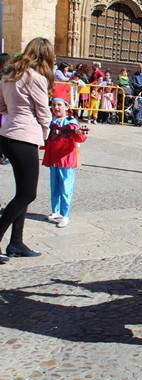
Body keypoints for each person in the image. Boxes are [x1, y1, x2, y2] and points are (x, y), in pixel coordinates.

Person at [0, 37, 55, 258]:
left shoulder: (8, 75)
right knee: (27, 194)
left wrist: (15, 116)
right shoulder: (36, 78)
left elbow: (2, 106)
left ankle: (17, 242)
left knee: (22, 191)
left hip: (7, 135)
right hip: (25, 137)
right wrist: (44, 134)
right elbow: (44, 113)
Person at [43, 85, 88, 228]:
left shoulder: (71, 122)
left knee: (66, 186)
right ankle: (55, 210)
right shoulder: (51, 121)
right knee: (54, 185)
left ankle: (65, 214)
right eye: (54, 105)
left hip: (66, 158)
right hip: (54, 157)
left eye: (59, 105)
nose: (56, 108)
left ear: (66, 107)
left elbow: (80, 138)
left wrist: (78, 133)